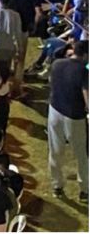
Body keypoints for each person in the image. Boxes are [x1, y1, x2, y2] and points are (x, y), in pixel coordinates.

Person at [47, 40, 88, 200]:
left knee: (55, 150)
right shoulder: (84, 71)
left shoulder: (57, 63)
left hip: (54, 111)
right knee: (81, 154)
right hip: (74, 117)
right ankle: (85, 189)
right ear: (85, 55)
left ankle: (57, 186)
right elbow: (87, 97)